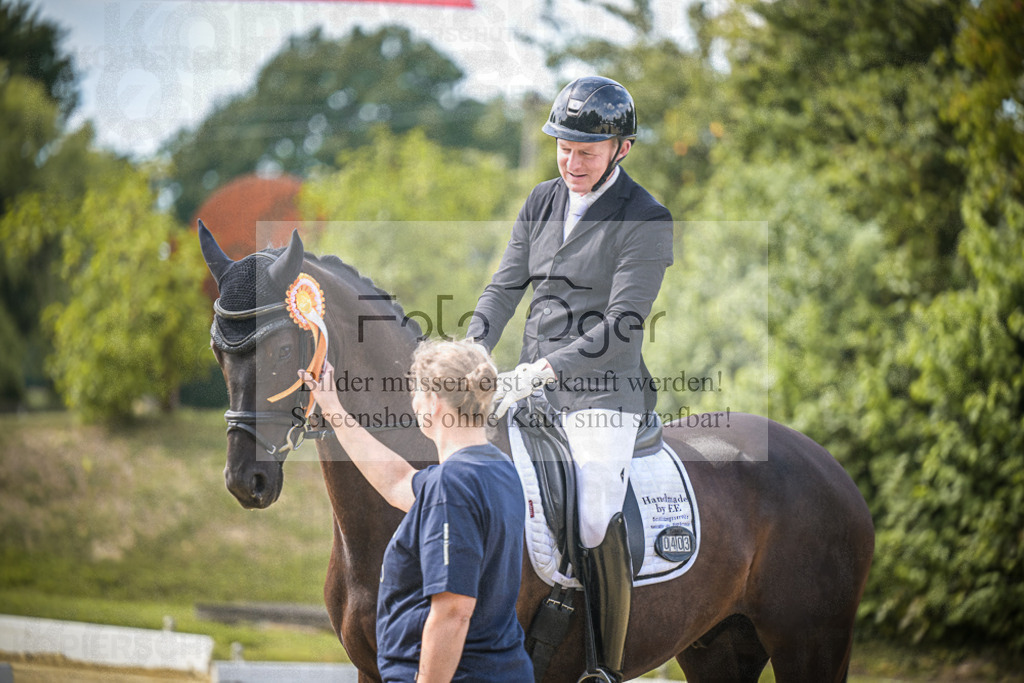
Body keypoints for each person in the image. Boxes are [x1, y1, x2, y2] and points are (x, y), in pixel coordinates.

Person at [466, 76, 673, 682]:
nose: (571, 161)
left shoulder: (645, 218)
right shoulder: (540, 201)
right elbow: (505, 287)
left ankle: (602, 666)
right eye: (563, 147)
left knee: (592, 510)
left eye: (586, 151)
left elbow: (624, 324)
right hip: (527, 382)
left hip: (604, 392)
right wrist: (471, 347)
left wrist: (545, 369)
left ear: (621, 150)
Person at [302, 340, 532, 683]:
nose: (413, 403)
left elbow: (453, 612)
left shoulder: (451, 487)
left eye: (416, 393)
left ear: (434, 403)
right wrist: (333, 408)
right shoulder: (497, 469)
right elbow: (397, 481)